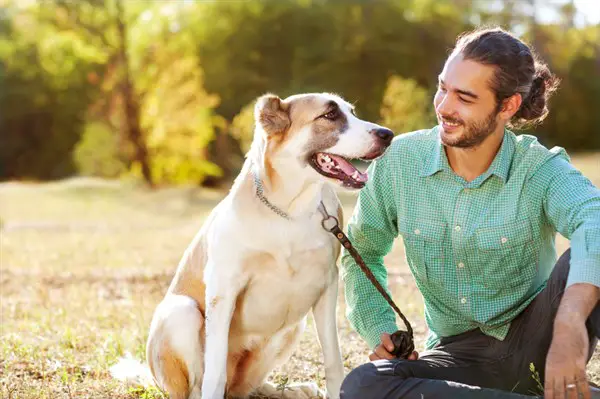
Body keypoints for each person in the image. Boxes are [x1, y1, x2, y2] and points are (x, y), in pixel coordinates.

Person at [339, 27, 600, 399]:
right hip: (455, 355)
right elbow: (362, 250)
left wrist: (570, 320)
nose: (444, 106)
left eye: (464, 97)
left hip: (540, 338)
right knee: (365, 384)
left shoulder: (538, 168)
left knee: (587, 255)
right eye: (443, 88)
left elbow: (595, 219)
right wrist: (381, 331)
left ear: (507, 106)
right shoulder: (398, 162)